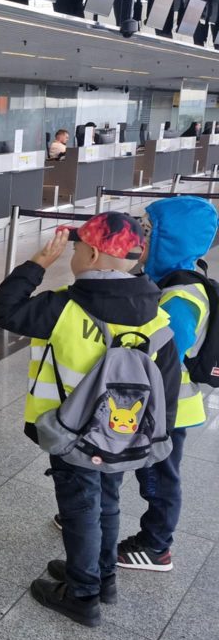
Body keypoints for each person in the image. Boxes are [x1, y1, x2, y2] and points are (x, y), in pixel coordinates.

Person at [0, 212, 181, 627]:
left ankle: (82, 593)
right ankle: (102, 576)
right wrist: (152, 442)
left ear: (91, 255)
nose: (72, 256)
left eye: (76, 249)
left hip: (70, 435)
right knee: (107, 503)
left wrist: (37, 264)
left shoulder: (62, 307)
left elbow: (2, 311)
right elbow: (167, 390)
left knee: (80, 510)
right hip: (122, 438)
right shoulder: (158, 317)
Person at [118, 197, 218, 572]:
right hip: (153, 400)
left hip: (168, 407)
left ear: (170, 239)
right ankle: (91, 510)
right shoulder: (165, 279)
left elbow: (165, 354)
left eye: (148, 231)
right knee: (123, 459)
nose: (140, 237)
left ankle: (156, 545)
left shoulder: (181, 294)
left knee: (159, 476)